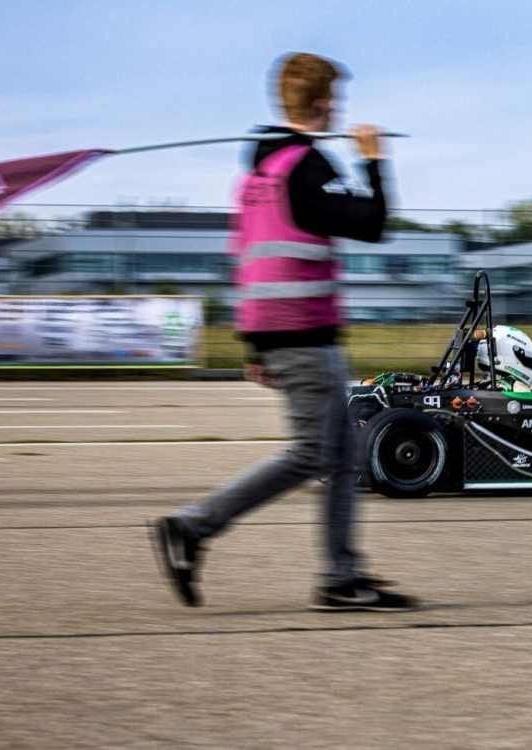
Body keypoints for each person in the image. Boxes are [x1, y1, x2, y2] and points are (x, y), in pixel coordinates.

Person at [151, 52, 415, 612]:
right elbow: (372, 224)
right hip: (305, 335)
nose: (338, 109)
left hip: (285, 333)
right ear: (322, 104)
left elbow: (248, 255)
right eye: (335, 100)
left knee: (341, 457)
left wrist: (254, 343)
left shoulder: (257, 173)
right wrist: (373, 161)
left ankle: (342, 578)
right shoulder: (307, 167)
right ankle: (193, 527)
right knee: (312, 455)